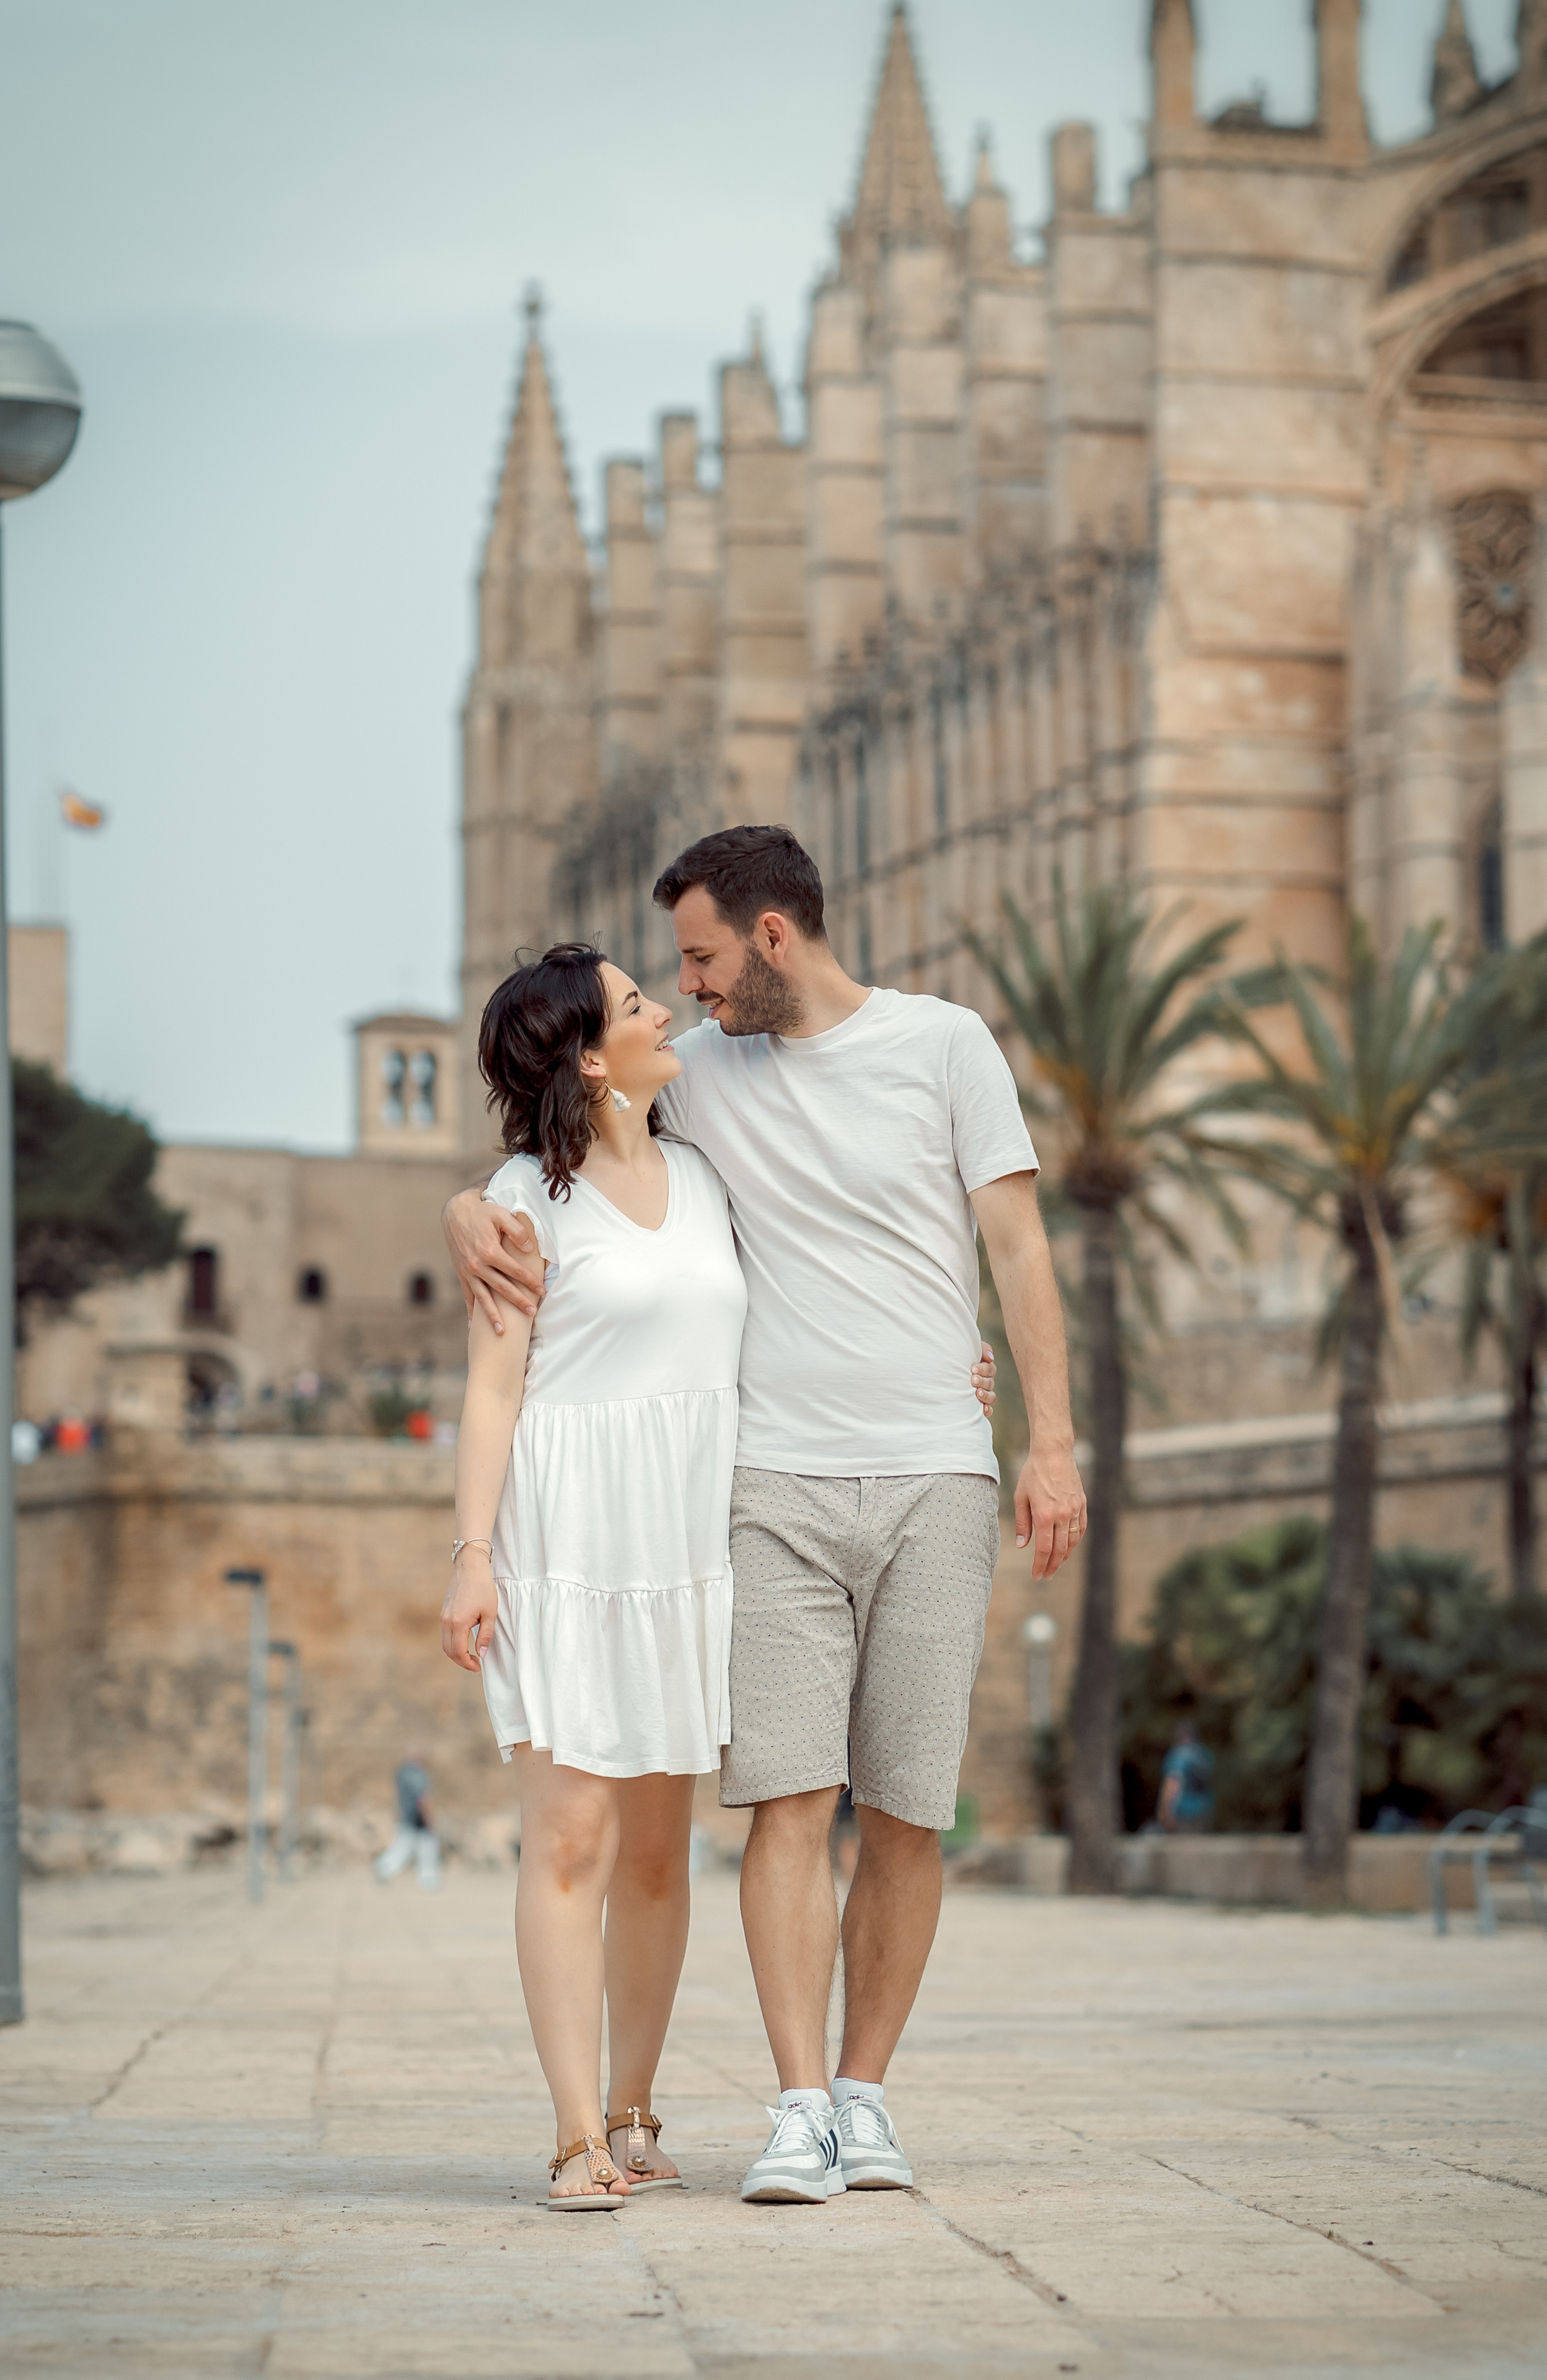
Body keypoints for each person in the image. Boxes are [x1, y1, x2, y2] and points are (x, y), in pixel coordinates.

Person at [444, 824, 1086, 2208]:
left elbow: (1012, 1243)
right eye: (659, 981)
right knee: (778, 1805)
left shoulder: (936, 1051)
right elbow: (551, 1169)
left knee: (903, 1809)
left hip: (904, 1483)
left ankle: (853, 2101)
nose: (684, 994)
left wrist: (1047, 1438)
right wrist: (464, 1205)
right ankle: (784, 2110)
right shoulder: (706, 1082)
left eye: (697, 959)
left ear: (770, 938)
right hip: (752, 1494)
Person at [439, 944, 745, 2208]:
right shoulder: (520, 1199)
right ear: (580, 1053)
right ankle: (571, 2137)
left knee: (663, 1857)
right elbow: (494, 1385)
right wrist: (470, 1557)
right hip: (564, 1541)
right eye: (633, 1005)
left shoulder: (710, 1175)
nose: (662, 1009)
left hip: (684, 1544)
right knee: (572, 1839)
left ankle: (632, 2109)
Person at [374, 1753, 441, 1890]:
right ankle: (429, 1879)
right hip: (417, 1820)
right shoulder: (418, 1775)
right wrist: (429, 1818)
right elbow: (422, 1799)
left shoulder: (402, 1773)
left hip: (406, 1818)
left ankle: (384, 1868)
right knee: (426, 1849)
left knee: (402, 1848)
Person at [1157, 1721, 1214, 1835]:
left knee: (1183, 1850)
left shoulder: (1178, 1755)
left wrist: (1165, 1809)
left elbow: (1173, 1783)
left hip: (1182, 1813)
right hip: (1204, 1811)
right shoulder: (1203, 1754)